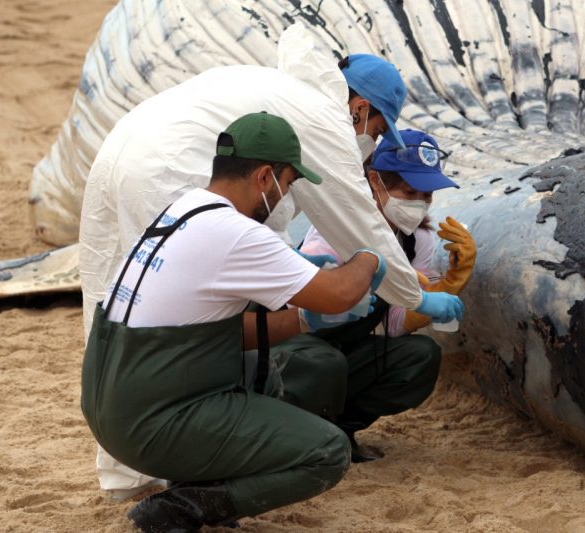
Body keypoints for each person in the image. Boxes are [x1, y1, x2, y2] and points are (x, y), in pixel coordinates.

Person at [79, 22, 464, 498]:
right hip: (168, 164)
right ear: (360, 109)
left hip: (121, 146)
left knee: (124, 293)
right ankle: (203, 448)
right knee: (191, 315)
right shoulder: (322, 118)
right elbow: (357, 225)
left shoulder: (279, 92)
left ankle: (129, 468)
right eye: (376, 130)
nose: (369, 141)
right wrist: (405, 289)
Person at [81, 111, 389, 532]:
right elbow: (340, 292)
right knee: (325, 450)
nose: (285, 196)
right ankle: (183, 507)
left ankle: (197, 477)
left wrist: (302, 320)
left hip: (112, 406)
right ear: (265, 177)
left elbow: (214, 336)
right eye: (287, 183)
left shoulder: (182, 210)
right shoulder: (237, 232)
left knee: (252, 358)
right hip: (151, 422)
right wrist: (368, 257)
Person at [272, 129, 475, 462]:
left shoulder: (416, 240)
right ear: (376, 183)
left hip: (344, 351)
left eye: (427, 196)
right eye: (409, 191)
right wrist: (384, 279)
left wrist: (448, 283)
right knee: (324, 364)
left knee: (420, 355)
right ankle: (297, 432)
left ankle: (340, 429)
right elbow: (298, 301)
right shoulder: (337, 227)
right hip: (297, 343)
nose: (419, 204)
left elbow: (394, 323)